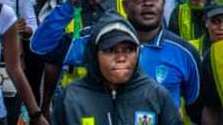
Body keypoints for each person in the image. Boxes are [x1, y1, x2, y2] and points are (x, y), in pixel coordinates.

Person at [51, 13, 180, 125]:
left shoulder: (156, 95)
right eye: (110, 50)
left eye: (129, 50)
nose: (121, 58)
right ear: (95, 55)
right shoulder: (72, 98)